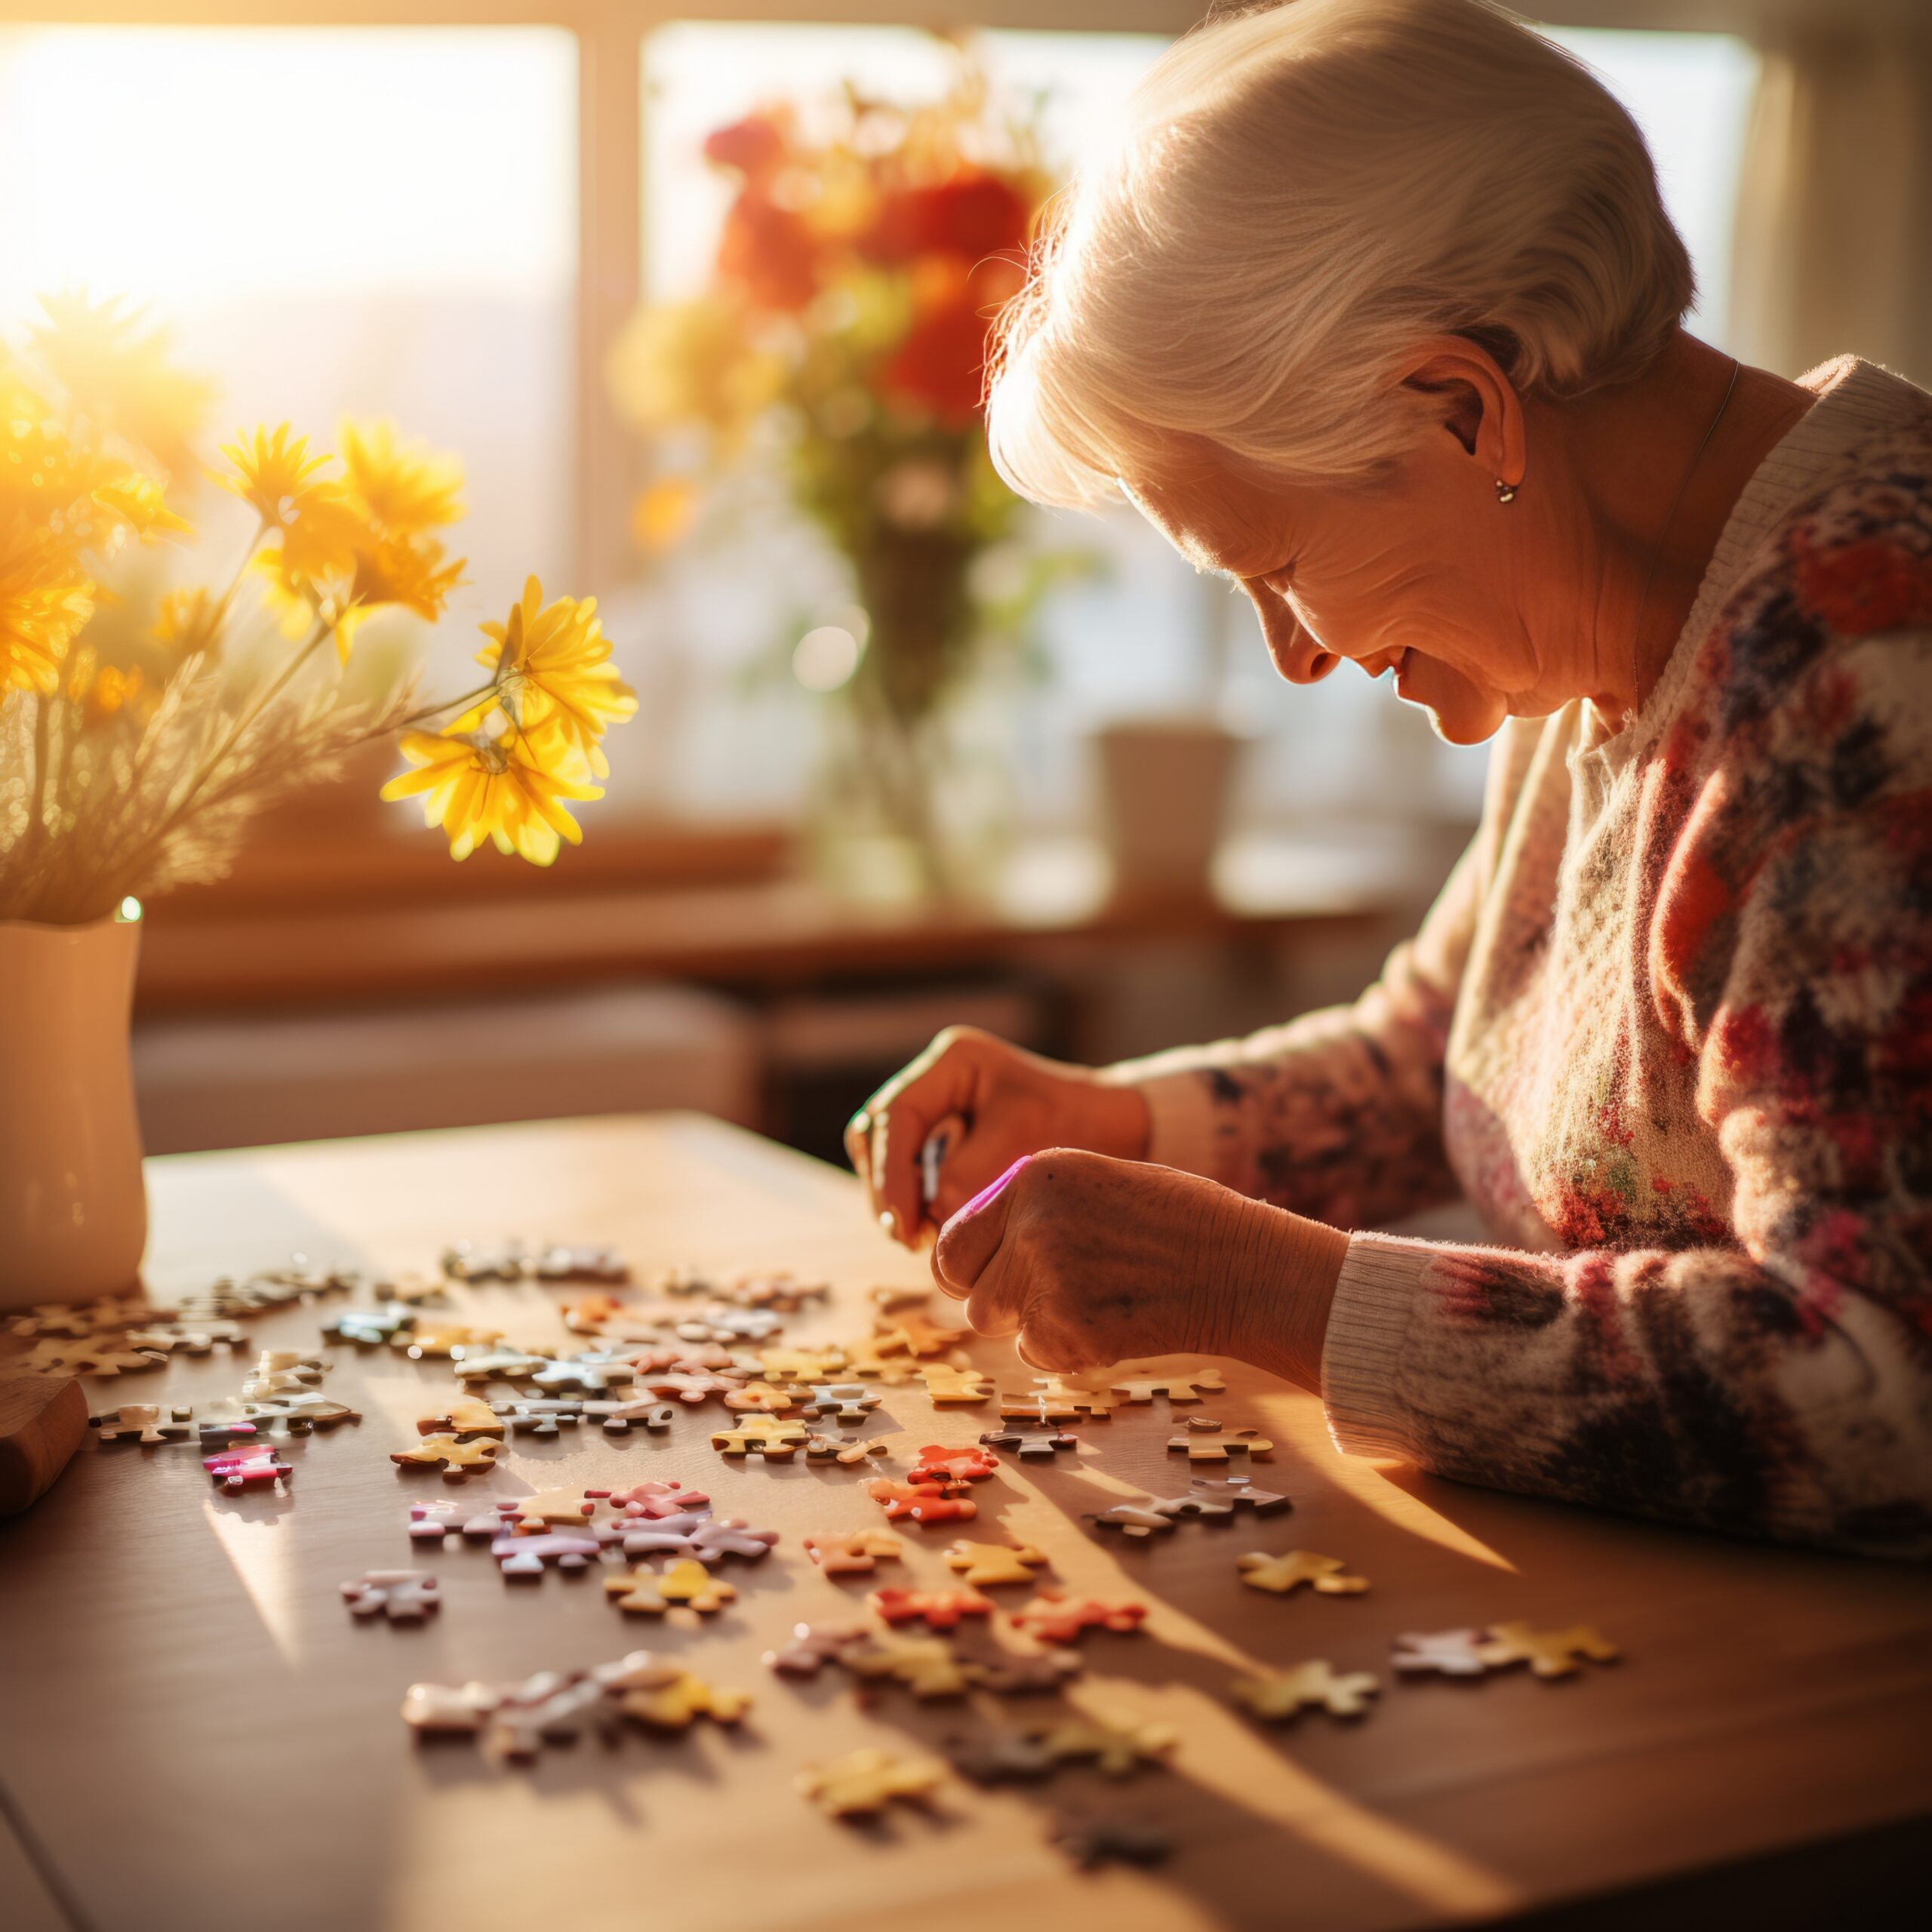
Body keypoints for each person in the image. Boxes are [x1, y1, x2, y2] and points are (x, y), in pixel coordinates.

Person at [847, 0, 1932, 1557]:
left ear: (1460, 407)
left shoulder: (1865, 654)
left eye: (1276, 568)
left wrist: (1268, 1292)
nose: (1293, 657)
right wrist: (1120, 1121)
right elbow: (1449, 1057)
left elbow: (1884, 1388)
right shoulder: (1606, 612)